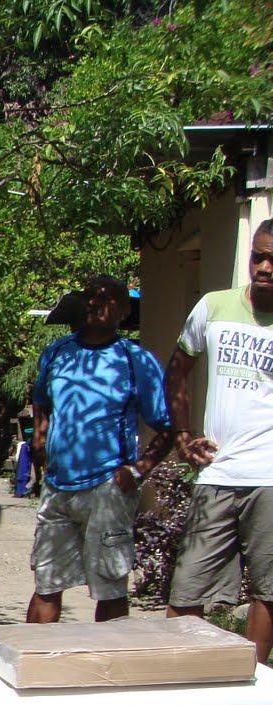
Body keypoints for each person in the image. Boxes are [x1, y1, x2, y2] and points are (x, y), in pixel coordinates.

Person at [25, 274, 172, 623]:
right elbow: (41, 400)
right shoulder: (57, 353)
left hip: (109, 488)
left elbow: (166, 427)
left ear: (123, 311)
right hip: (58, 488)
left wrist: (138, 470)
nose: (94, 303)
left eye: (106, 299)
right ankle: (35, 656)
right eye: (89, 297)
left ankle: (109, 657)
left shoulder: (135, 360)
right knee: (46, 583)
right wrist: (40, 440)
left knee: (110, 587)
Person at [166, 219, 273, 663]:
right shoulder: (213, 306)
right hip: (218, 472)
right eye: (258, 256)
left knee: (269, 591)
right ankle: (183, 679)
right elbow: (176, 372)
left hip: (270, 480)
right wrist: (183, 435)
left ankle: (255, 683)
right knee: (185, 590)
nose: (264, 267)